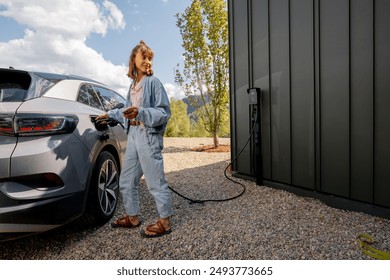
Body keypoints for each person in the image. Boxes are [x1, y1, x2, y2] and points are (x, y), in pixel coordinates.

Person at [97, 40, 172, 238]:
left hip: (148, 136)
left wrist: (141, 112)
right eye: (144, 57)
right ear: (133, 60)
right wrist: (110, 115)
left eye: (150, 58)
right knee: (126, 180)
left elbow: (164, 113)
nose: (147, 61)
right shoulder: (133, 86)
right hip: (134, 137)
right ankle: (132, 217)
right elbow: (126, 112)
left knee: (155, 181)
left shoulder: (153, 83)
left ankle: (165, 221)